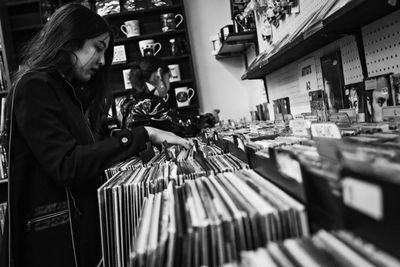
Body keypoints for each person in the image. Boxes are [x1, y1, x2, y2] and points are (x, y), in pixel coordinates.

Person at [0, 4, 190, 267]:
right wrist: (143, 133)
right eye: (98, 48)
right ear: (69, 42)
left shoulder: (67, 91)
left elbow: (90, 150)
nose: (102, 61)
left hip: (78, 234)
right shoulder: (34, 86)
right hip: (57, 245)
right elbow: (68, 164)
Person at [116, 56, 216, 137]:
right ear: (159, 74)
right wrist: (210, 118)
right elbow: (185, 126)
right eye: (168, 77)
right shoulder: (150, 103)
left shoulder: (125, 101)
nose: (169, 84)